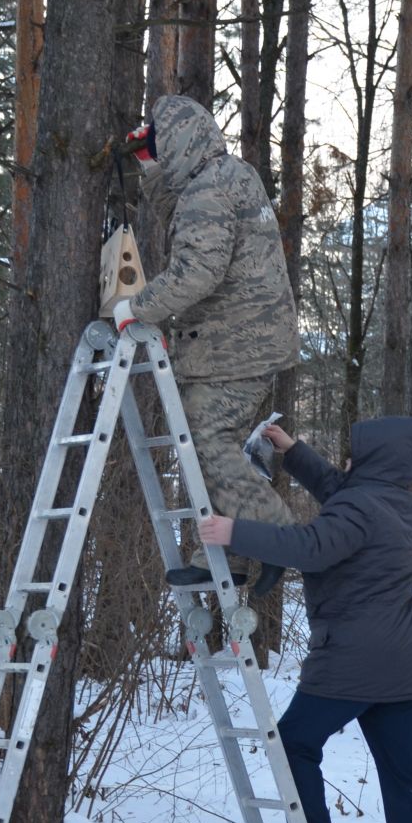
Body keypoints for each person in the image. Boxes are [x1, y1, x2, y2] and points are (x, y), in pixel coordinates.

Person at [195, 417, 412, 823]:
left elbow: (310, 548)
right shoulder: (393, 501)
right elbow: (340, 490)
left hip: (354, 658)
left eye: (356, 451)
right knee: (402, 776)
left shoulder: (358, 506)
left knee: (293, 744)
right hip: (401, 658)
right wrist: (293, 451)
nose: (348, 459)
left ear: (373, 459)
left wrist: (235, 532)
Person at [109, 94, 299, 593]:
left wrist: (136, 308)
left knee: (206, 442)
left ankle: (281, 535)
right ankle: (227, 559)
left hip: (236, 345)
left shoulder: (210, 190)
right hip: (240, 342)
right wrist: (150, 164)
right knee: (209, 446)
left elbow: (197, 271)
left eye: (160, 143)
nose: (159, 150)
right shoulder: (227, 176)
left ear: (179, 140)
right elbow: (182, 212)